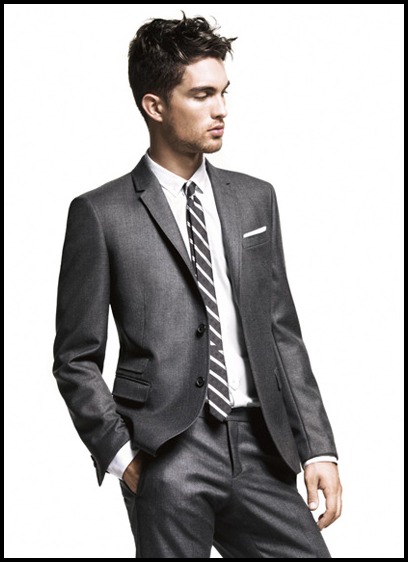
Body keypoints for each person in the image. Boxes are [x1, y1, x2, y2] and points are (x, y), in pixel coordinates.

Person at [53, 14, 342, 558]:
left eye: (224, 92)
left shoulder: (255, 199)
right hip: (168, 449)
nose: (222, 109)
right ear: (155, 105)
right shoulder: (101, 214)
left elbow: (280, 331)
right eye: (203, 94)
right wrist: (123, 458)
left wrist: (317, 447)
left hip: (261, 444)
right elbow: (75, 358)